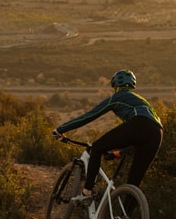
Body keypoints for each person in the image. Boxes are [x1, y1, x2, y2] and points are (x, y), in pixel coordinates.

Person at [51, 69, 161, 202]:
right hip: (157, 133)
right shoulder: (143, 101)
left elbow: (90, 115)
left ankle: (87, 192)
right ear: (132, 85)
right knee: (133, 182)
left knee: (96, 147)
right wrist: (118, 153)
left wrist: (61, 129)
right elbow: (140, 138)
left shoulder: (117, 97)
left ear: (115, 86)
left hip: (139, 124)